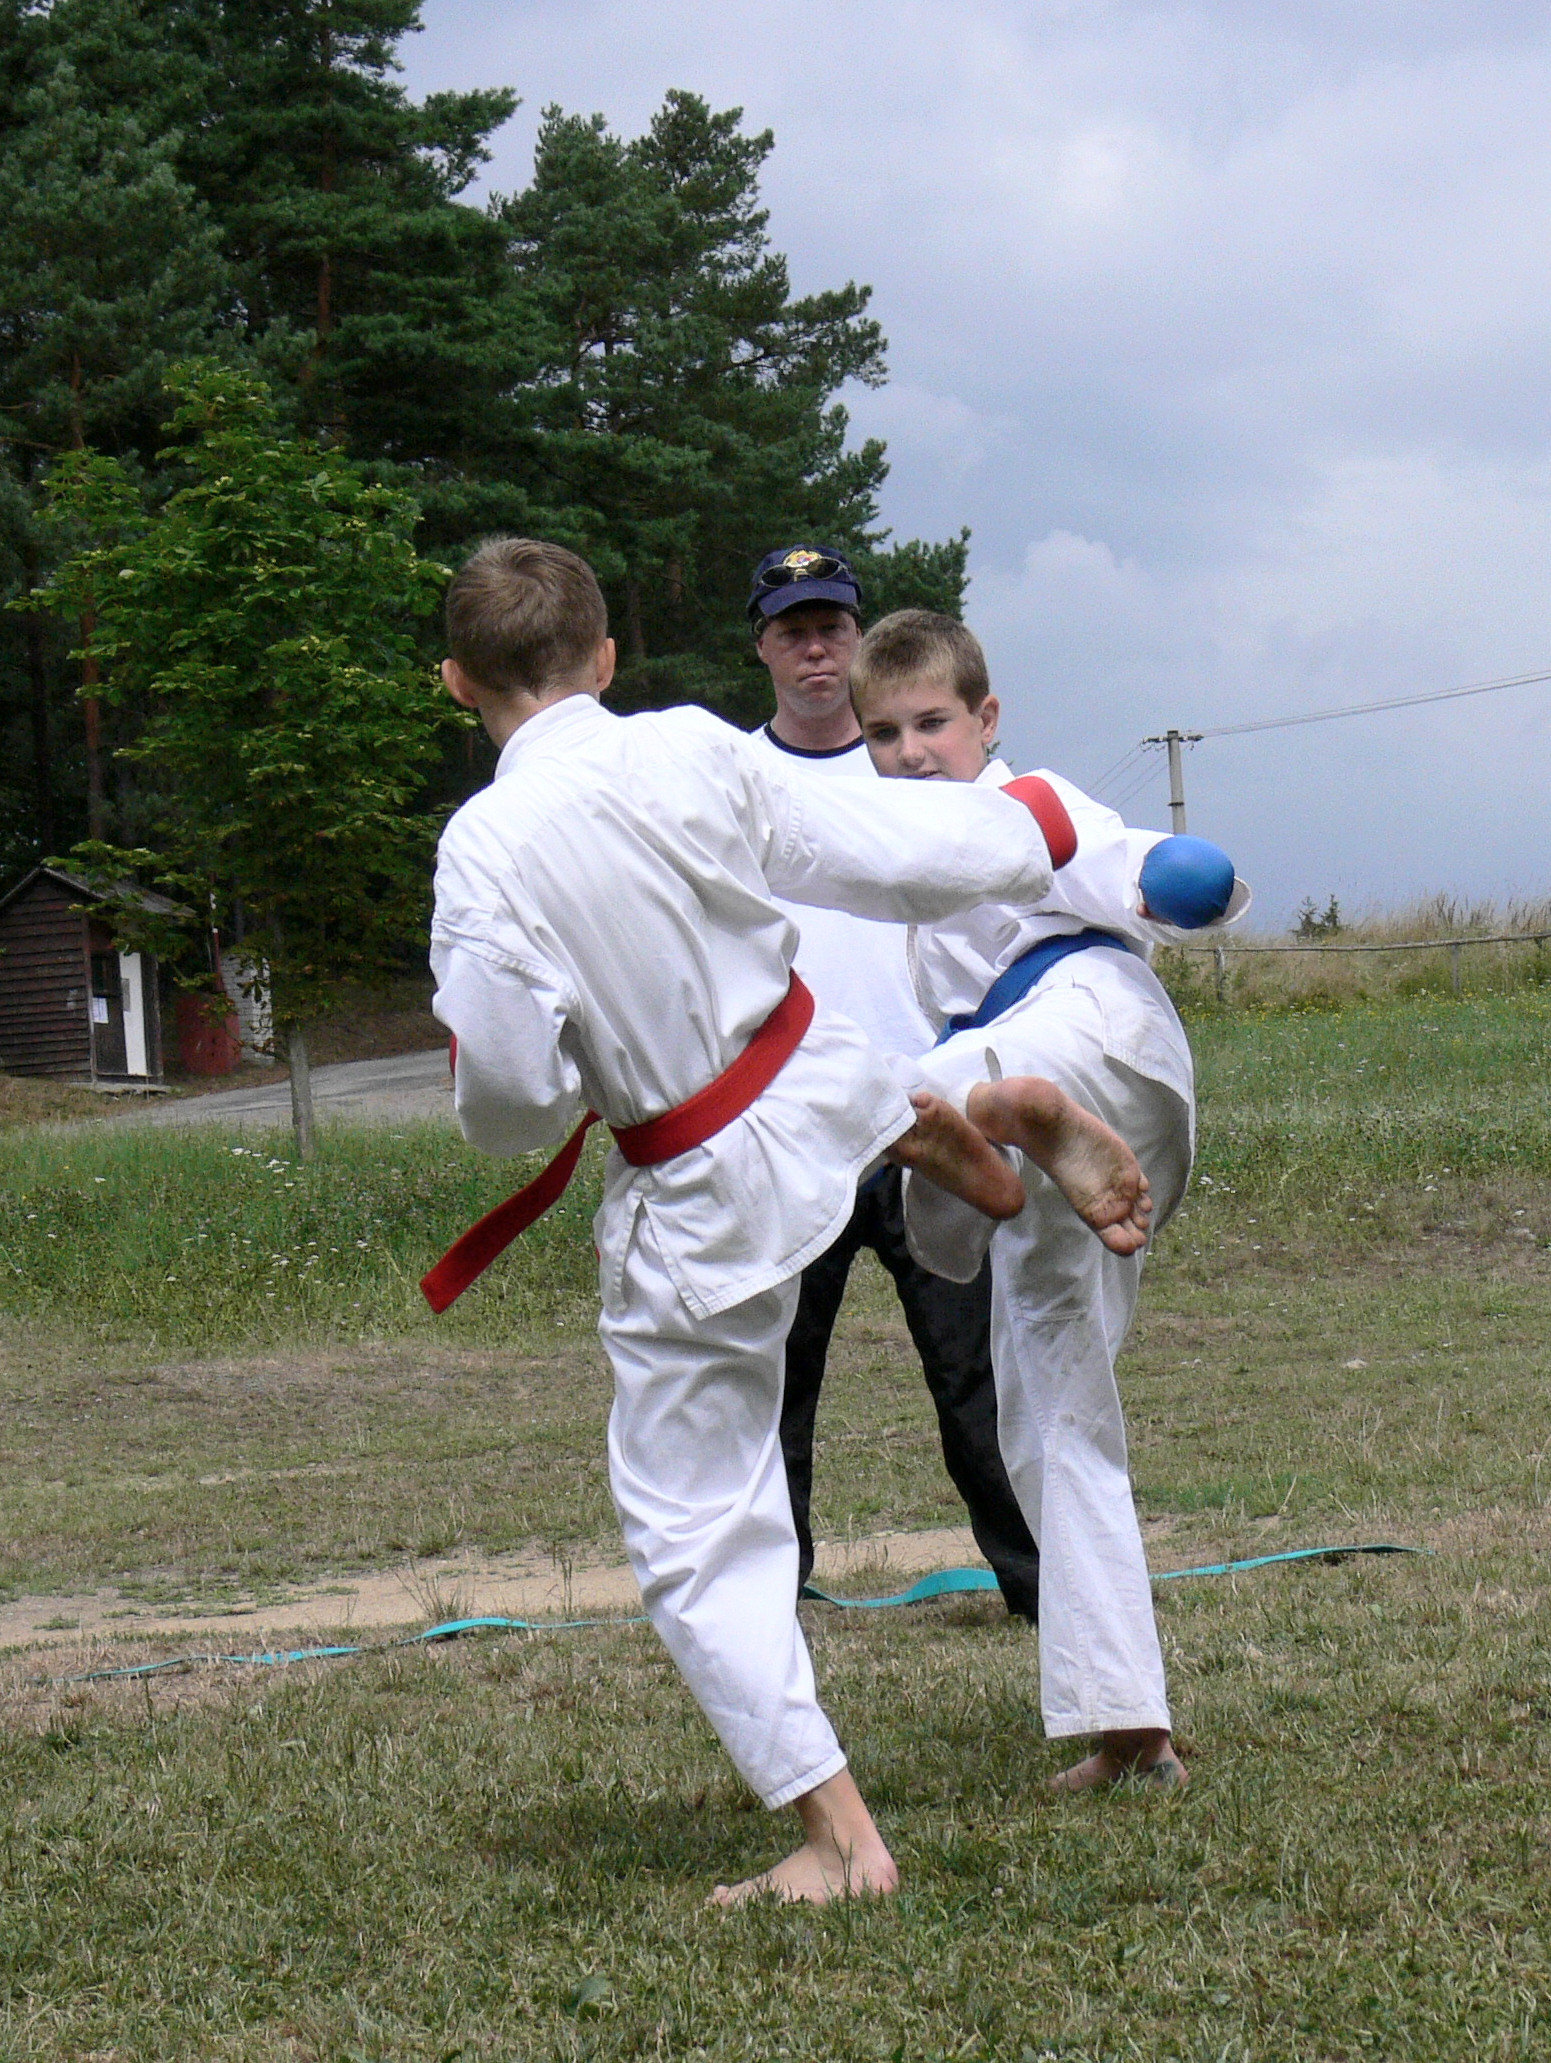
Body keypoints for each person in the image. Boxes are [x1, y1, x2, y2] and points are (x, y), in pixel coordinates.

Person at [427, 540, 1151, 1903]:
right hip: (818, 1076)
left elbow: (511, 1105)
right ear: (605, 657)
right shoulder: (689, 745)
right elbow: (884, 850)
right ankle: (955, 1114)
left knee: (693, 1519)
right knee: (849, 1088)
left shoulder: (485, 848)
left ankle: (838, 1837)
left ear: (457, 682)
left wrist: (550, 1055)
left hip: (695, 1179)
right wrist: (1050, 830)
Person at [850, 608, 1248, 1791]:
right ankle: (1131, 1724)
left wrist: (1178, 883)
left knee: (884, 1112)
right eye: (885, 734)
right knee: (1049, 1403)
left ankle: (1002, 1116)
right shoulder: (901, 864)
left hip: (1081, 1027)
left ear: (987, 719)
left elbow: (1113, 854)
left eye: (932, 722)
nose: (911, 751)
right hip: (1113, 1117)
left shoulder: (1022, 805)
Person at [744, 546, 1041, 1620]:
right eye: (792, 631)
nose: (816, 649)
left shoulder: (929, 776)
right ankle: (766, 1603)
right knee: (773, 1386)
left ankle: (1045, 1586)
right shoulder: (734, 784)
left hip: (934, 1119)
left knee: (981, 1378)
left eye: (833, 627)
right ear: (763, 646)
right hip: (795, 1128)